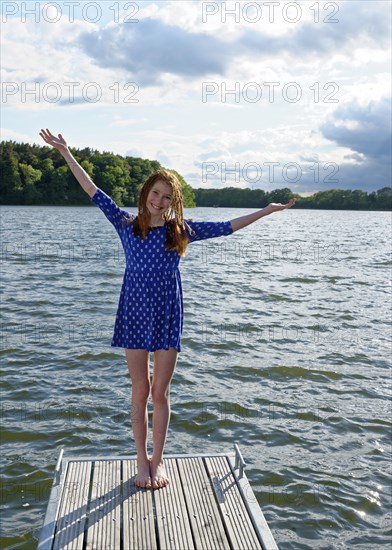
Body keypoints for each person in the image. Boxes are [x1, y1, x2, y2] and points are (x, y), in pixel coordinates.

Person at [39, 128, 296, 490]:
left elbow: (226, 227)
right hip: (133, 313)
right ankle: (140, 460)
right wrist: (66, 152)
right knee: (139, 391)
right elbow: (93, 190)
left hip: (166, 316)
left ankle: (157, 463)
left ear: (173, 202)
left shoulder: (181, 232)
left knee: (160, 393)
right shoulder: (127, 226)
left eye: (166, 197)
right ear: (146, 195)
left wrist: (266, 212)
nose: (159, 201)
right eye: (155, 194)